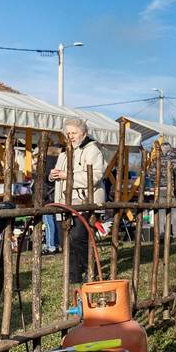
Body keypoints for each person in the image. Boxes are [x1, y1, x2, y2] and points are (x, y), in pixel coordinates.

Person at [50, 118, 106, 283]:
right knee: (65, 241)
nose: (71, 136)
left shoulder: (92, 150)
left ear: (84, 133)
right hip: (64, 202)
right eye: (68, 133)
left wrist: (65, 175)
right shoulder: (64, 152)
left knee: (79, 238)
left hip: (84, 202)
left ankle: (92, 272)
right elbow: (59, 174)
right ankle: (73, 277)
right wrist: (52, 175)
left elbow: (94, 176)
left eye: (74, 133)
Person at [155, 142, 176, 238]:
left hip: (161, 188)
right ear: (171, 149)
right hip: (174, 189)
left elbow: (151, 174)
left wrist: (158, 182)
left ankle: (161, 233)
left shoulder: (158, 161)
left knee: (161, 211)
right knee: (174, 211)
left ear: (163, 150)